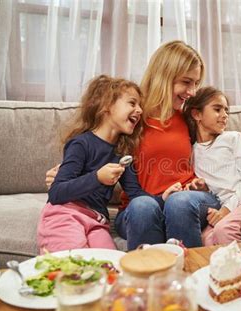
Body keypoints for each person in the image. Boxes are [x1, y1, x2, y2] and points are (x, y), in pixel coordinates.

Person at [46, 41, 220, 250]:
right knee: (143, 207)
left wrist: (205, 184)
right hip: (141, 207)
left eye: (196, 83)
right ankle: (146, 276)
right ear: (164, 77)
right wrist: (66, 175)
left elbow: (220, 153)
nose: (192, 92)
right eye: (186, 82)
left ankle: (192, 277)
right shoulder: (129, 119)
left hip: (190, 202)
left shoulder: (191, 117)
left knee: (179, 203)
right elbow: (96, 149)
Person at [38, 75, 155, 253]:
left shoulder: (123, 153)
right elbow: (56, 192)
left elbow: (136, 194)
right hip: (67, 214)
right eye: (132, 103)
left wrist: (164, 199)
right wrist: (97, 178)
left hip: (98, 222)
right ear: (107, 106)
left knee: (111, 267)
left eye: (140, 105)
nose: (139, 110)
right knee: (74, 268)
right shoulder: (81, 144)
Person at [182, 86, 241, 246]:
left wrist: (226, 210)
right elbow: (217, 187)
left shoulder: (233, 138)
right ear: (197, 114)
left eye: (226, 110)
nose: (225, 115)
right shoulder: (192, 151)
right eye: (217, 109)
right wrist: (202, 189)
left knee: (224, 230)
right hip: (225, 205)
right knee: (207, 239)